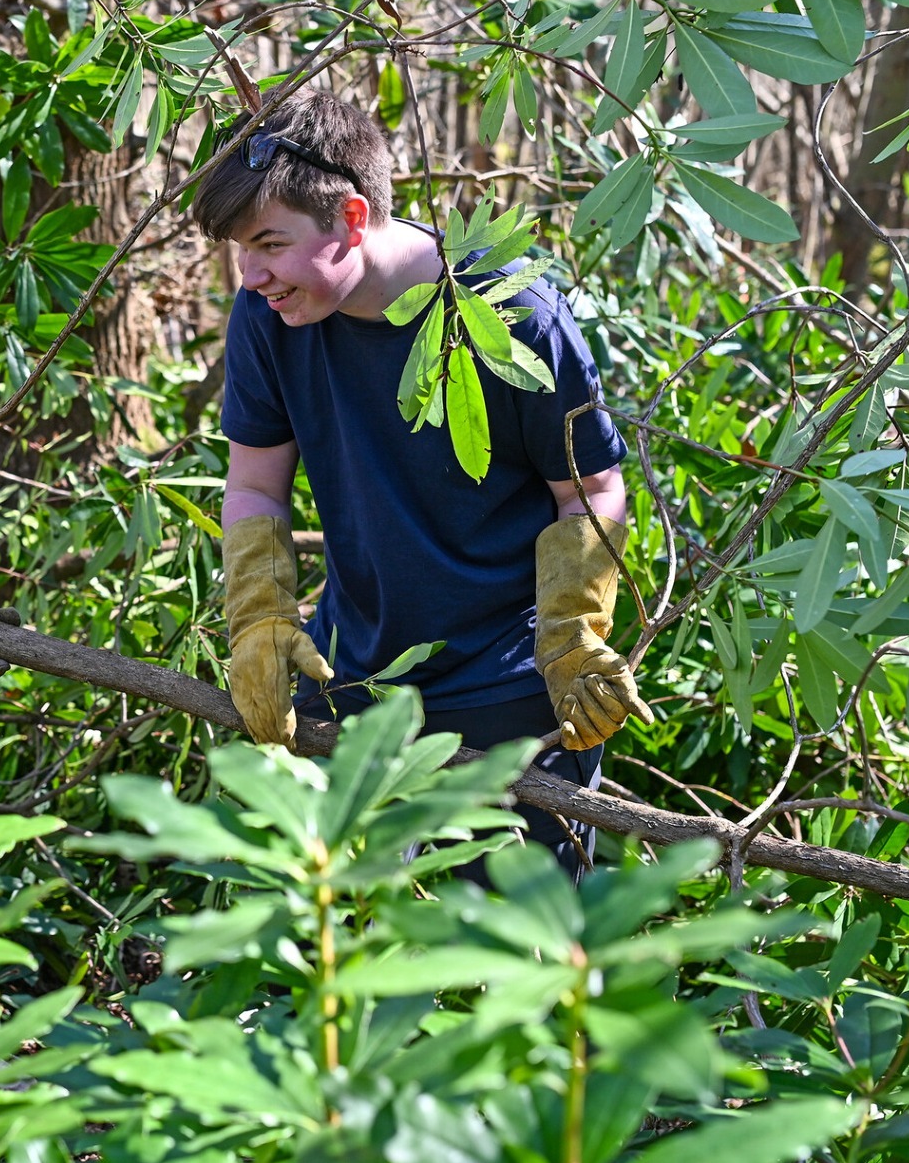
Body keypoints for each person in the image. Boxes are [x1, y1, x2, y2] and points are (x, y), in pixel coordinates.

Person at [193, 88, 653, 880]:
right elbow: (256, 485)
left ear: (352, 218)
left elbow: (589, 492)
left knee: (517, 961)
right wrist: (260, 618)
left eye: (269, 242)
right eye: (241, 248)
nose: (254, 273)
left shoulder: (516, 315)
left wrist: (574, 635)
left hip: (513, 692)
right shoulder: (266, 316)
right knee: (348, 946)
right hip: (355, 679)